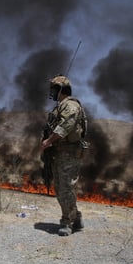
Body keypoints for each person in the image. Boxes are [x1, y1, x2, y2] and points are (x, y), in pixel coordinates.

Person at [41, 74, 87, 236]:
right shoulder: (60, 107)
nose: (52, 92)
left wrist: (49, 141)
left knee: (66, 188)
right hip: (59, 154)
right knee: (61, 189)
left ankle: (67, 222)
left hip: (69, 153)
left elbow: (66, 126)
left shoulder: (71, 106)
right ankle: (76, 216)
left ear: (61, 89)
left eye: (54, 88)